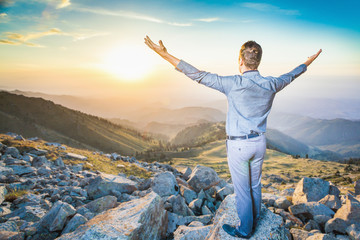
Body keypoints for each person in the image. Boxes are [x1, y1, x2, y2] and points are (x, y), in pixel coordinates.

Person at [144, 35, 321, 238]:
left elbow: (197, 74)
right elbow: (292, 74)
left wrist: (164, 54)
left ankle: (245, 230)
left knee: (243, 190)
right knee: (255, 185)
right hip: (260, 143)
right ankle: (254, 219)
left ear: (240, 61)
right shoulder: (272, 83)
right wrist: (309, 60)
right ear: (258, 61)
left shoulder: (232, 83)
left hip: (239, 146)